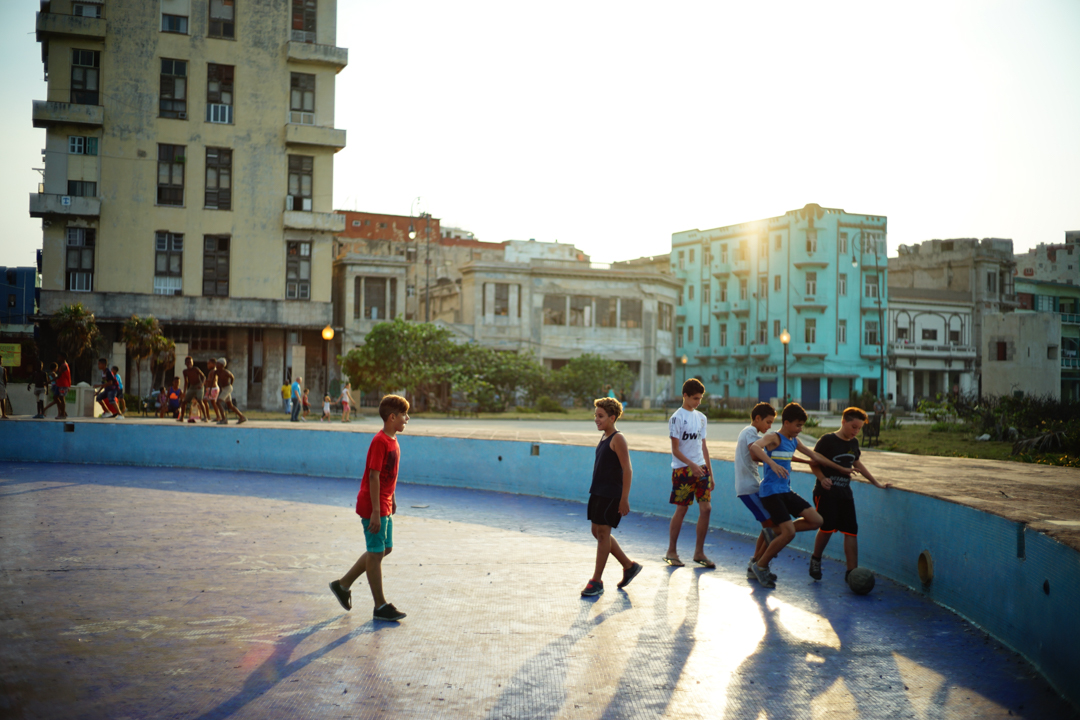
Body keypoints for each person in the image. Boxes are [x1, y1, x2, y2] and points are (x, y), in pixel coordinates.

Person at [748, 402, 853, 588]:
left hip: (785, 491)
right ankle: (761, 566)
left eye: (802, 426)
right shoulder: (774, 437)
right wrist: (771, 464)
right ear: (786, 423)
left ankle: (774, 532)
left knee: (817, 520)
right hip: (771, 493)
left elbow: (816, 457)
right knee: (789, 533)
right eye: (797, 425)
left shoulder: (794, 441)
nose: (800, 429)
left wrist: (841, 469)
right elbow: (755, 447)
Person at [329, 394, 410, 622]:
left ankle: (342, 585)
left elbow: (388, 475)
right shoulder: (379, 442)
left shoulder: (393, 440)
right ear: (392, 417)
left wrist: (392, 497)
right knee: (375, 553)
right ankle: (380, 605)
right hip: (372, 504)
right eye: (404, 415)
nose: (407, 418)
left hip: (383, 502)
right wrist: (375, 511)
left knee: (384, 549)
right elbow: (374, 477)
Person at [808, 406, 892, 582]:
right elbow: (814, 463)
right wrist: (822, 478)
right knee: (827, 527)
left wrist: (876, 482)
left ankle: (851, 572)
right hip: (826, 493)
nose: (856, 431)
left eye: (860, 428)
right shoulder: (827, 440)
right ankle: (816, 558)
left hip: (845, 493)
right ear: (843, 421)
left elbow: (858, 464)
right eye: (854, 426)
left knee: (851, 530)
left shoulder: (854, 444)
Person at [581, 397, 643, 597]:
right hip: (598, 492)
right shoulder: (604, 437)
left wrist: (624, 498)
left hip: (611, 495)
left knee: (602, 535)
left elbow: (627, 469)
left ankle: (596, 580)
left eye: (600, 416)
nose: (596, 420)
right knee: (597, 532)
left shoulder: (618, 438)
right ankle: (628, 566)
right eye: (595, 416)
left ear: (612, 417)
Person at [665, 378, 715, 568]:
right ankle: (671, 550)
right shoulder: (676, 418)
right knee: (682, 508)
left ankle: (699, 552)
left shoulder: (702, 418)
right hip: (683, 470)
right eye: (695, 398)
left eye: (700, 399)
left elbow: (703, 446)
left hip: (701, 468)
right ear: (684, 396)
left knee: (706, 509)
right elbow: (675, 450)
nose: (698, 402)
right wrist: (691, 465)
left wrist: (709, 472)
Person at [734, 402, 779, 584]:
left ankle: (756, 563)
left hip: (751, 487)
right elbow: (754, 454)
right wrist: (773, 455)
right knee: (772, 528)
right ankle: (759, 564)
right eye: (768, 422)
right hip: (749, 488)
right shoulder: (751, 432)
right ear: (758, 419)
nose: (769, 427)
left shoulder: (747, 432)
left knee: (768, 525)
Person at [215, 358, 247, 425]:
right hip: (224, 388)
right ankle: (242, 417)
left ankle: (224, 419)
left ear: (222, 365)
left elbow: (232, 377)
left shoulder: (226, 372)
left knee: (218, 402)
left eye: (218, 364)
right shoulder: (216, 372)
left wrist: (230, 385)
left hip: (228, 387)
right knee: (230, 405)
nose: (216, 365)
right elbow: (214, 380)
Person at [178, 356, 205, 424]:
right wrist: (184, 392)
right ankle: (182, 417)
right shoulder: (185, 371)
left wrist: (201, 385)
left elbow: (203, 377)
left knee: (199, 400)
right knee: (184, 402)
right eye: (188, 362)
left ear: (192, 363)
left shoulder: (196, 369)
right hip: (192, 386)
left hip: (199, 385)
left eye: (190, 362)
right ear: (185, 363)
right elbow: (186, 382)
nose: (189, 363)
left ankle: (205, 417)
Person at [204, 358, 220, 423]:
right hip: (211, 388)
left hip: (213, 388)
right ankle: (208, 416)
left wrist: (205, 381)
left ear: (214, 364)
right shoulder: (212, 371)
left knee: (207, 401)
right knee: (209, 402)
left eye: (209, 363)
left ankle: (216, 416)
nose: (208, 365)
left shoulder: (213, 371)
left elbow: (213, 381)